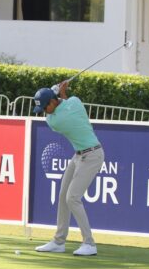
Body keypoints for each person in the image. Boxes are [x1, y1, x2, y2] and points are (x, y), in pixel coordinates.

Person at [33, 81, 102, 256]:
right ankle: (59, 241)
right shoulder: (75, 102)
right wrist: (61, 93)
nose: (44, 113)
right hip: (78, 155)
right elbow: (67, 102)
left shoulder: (56, 121)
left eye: (44, 109)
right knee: (64, 195)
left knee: (73, 198)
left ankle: (89, 243)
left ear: (52, 103)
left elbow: (54, 117)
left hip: (92, 156)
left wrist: (57, 92)